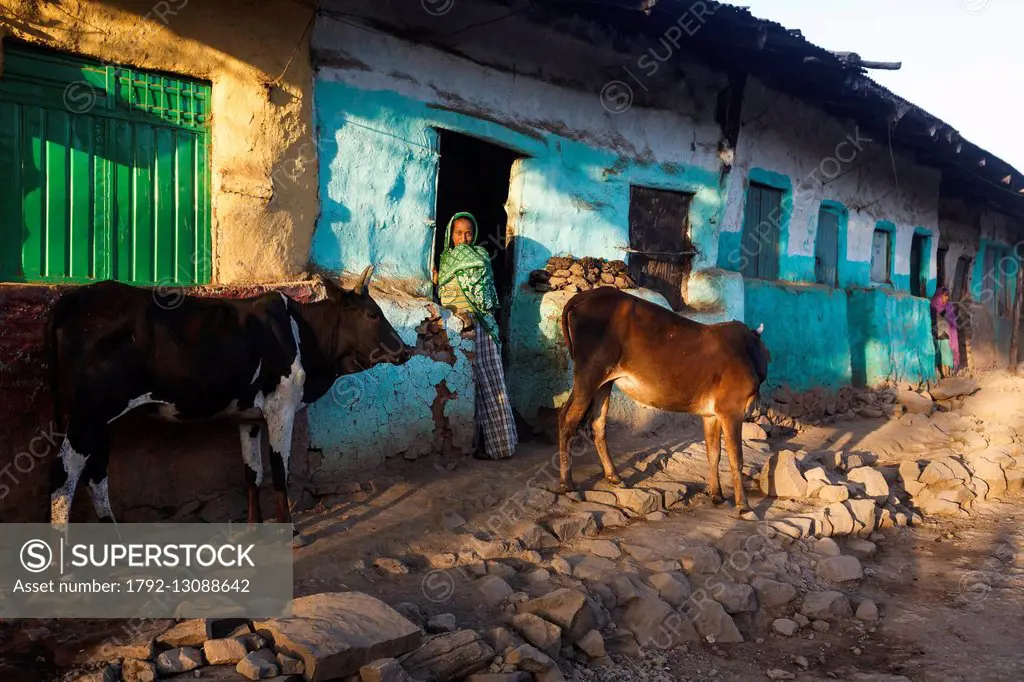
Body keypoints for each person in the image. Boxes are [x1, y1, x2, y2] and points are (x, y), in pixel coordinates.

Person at [432, 212, 518, 460]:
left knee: (491, 383)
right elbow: (445, 292)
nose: (464, 238)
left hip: (481, 325)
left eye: (468, 233)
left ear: (474, 234)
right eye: (458, 233)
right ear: (450, 234)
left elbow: (484, 292)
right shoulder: (445, 260)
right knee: (469, 388)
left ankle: (502, 446)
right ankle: (479, 443)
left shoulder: (481, 256)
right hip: (457, 330)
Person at [930, 286, 960, 377]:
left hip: (946, 334)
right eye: (945, 295)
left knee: (947, 353)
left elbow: (952, 320)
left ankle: (948, 374)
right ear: (939, 296)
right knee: (937, 353)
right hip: (935, 334)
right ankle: (938, 373)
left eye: (948, 295)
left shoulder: (949, 306)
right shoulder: (933, 305)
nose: (947, 297)